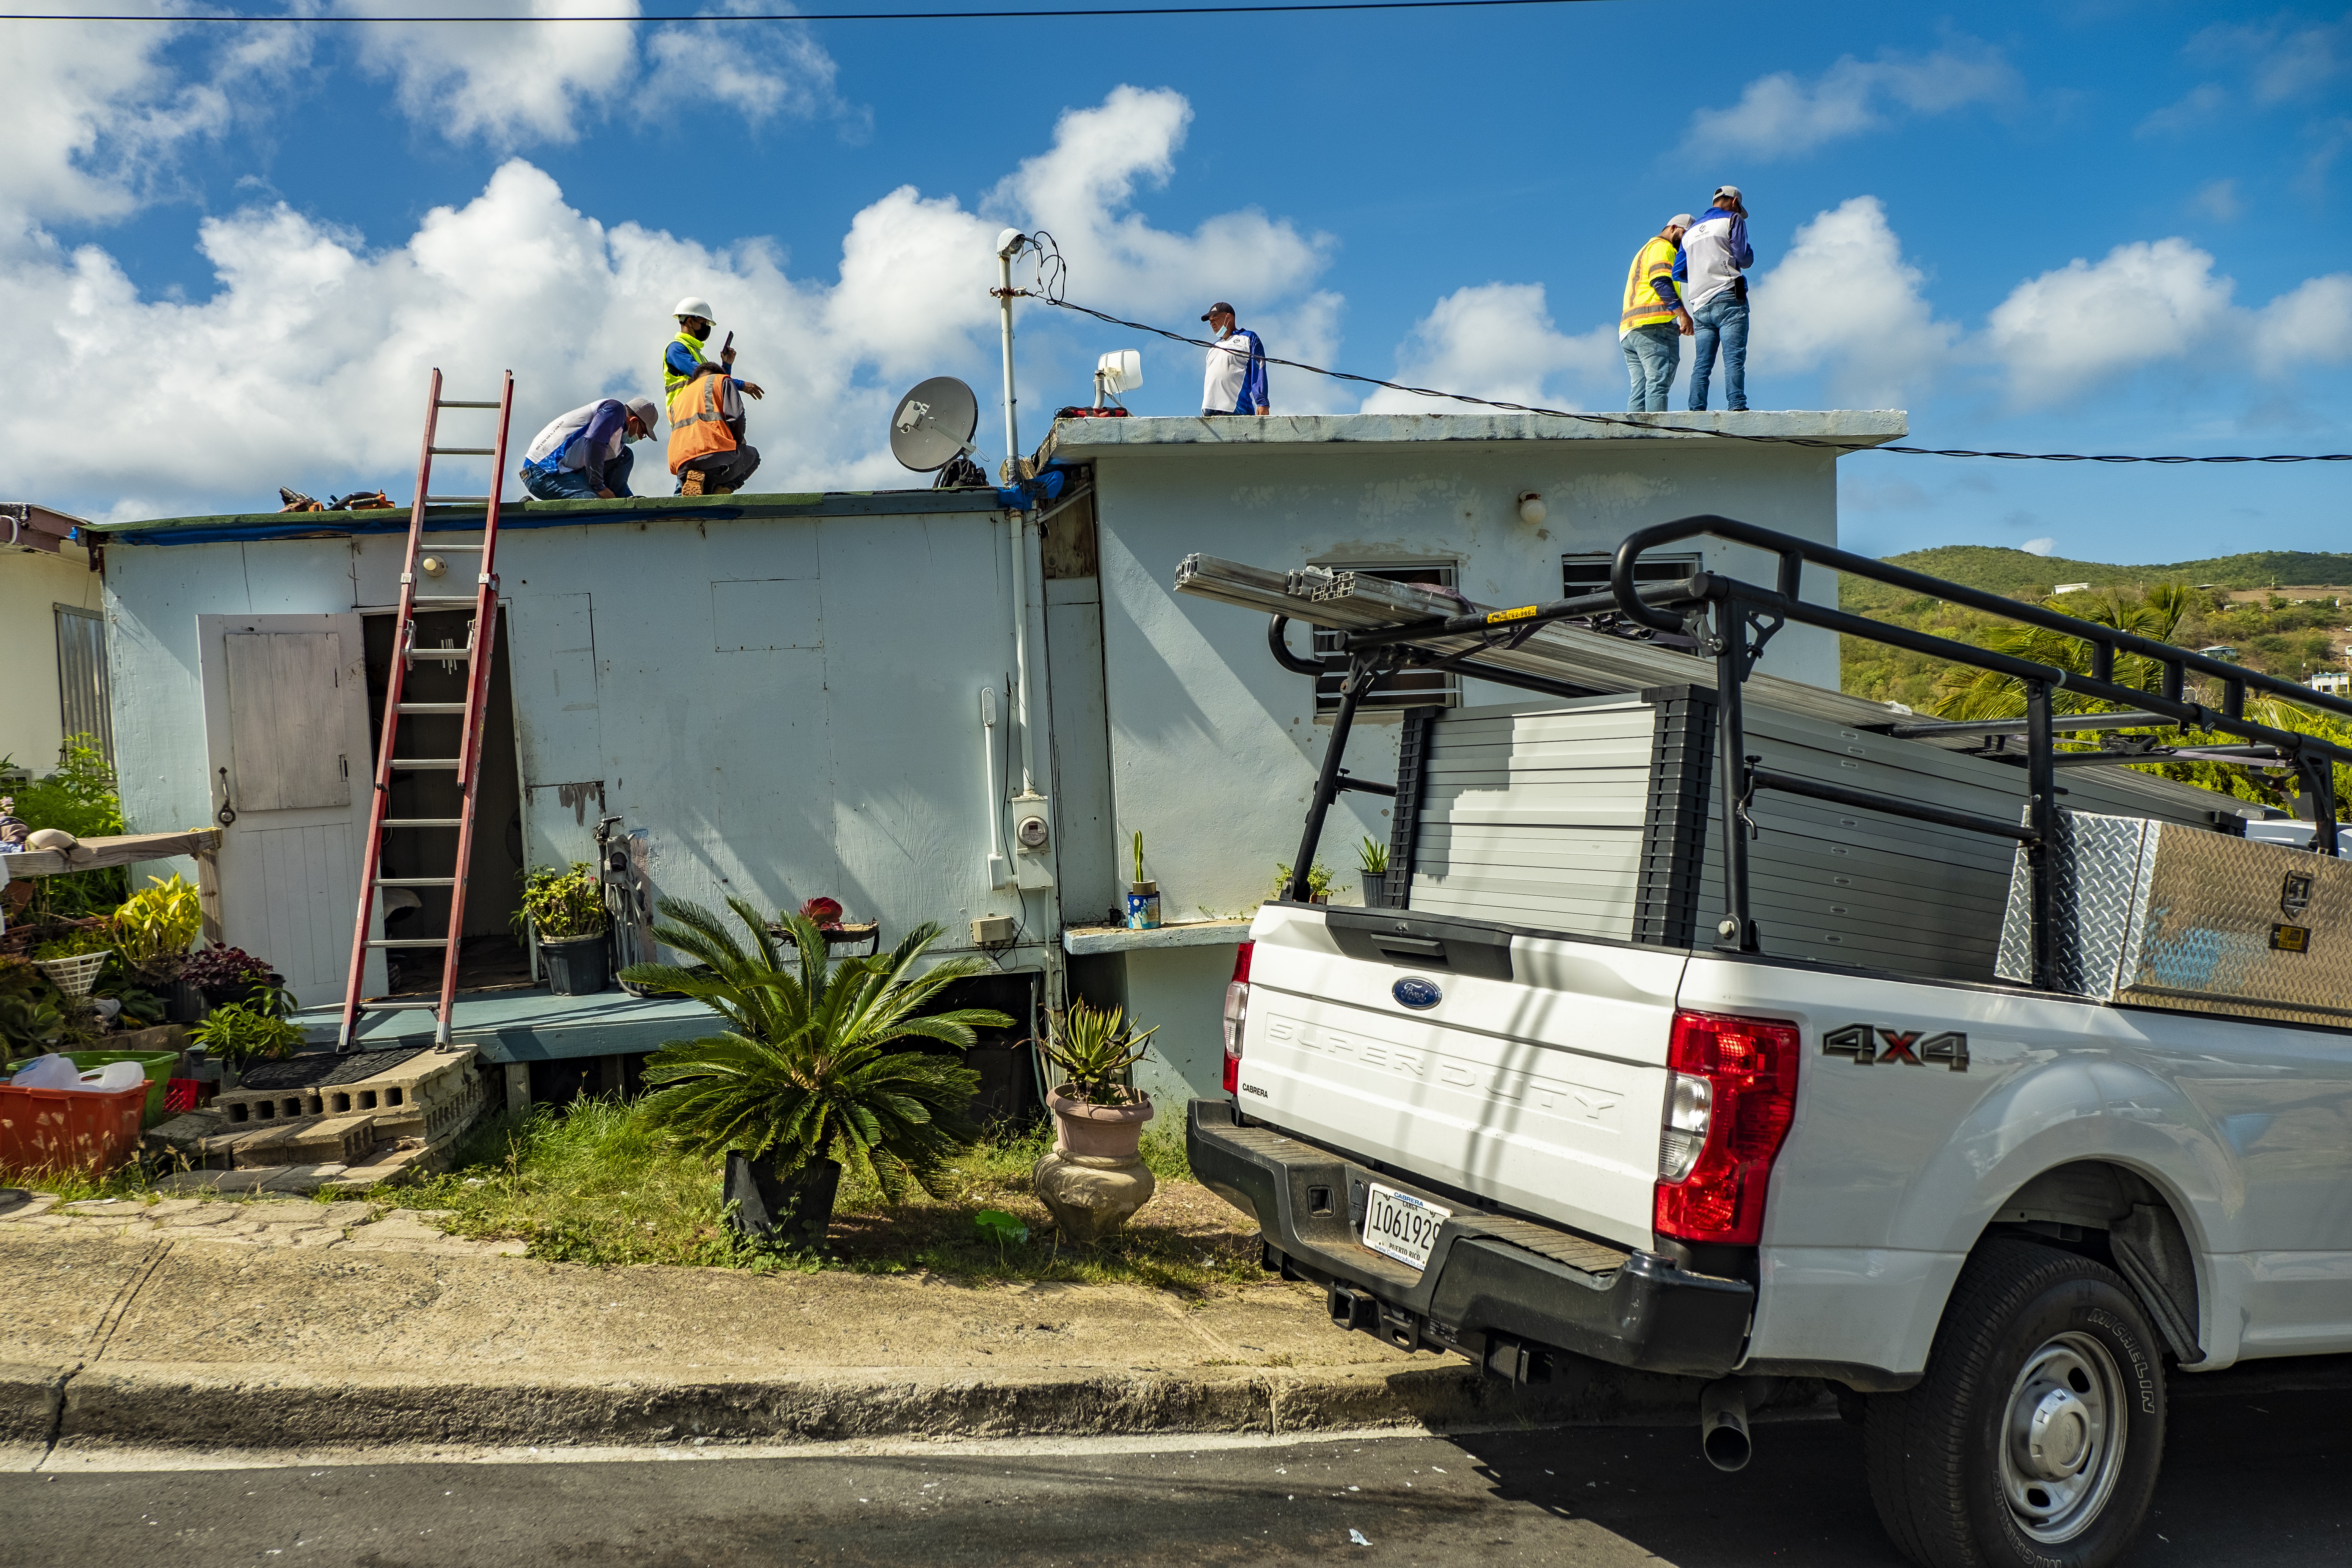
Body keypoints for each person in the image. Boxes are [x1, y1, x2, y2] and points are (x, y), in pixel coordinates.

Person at [1678, 186, 1754, 412]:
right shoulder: (1733, 220)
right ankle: (1737, 405)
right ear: (1734, 203)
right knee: (1733, 358)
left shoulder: (1690, 233)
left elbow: (1678, 271)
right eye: (1739, 208)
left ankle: (1696, 410)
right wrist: (1748, 253)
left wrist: (1701, 273)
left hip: (1700, 305)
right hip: (1729, 296)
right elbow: (1744, 258)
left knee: (1702, 363)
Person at [517, 397, 660, 501]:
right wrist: (599, 487)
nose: (641, 437)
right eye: (643, 433)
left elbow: (617, 478)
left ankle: (620, 501)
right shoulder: (615, 410)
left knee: (625, 456)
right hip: (543, 471)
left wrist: (629, 499)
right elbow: (594, 441)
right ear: (634, 421)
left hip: (568, 472)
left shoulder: (617, 440)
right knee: (592, 504)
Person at [1619, 214, 1693, 413]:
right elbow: (1660, 282)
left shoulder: (1646, 249)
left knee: (1640, 387)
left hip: (1630, 331)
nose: (1686, 241)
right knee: (1659, 382)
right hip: (1653, 329)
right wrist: (1683, 315)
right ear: (1673, 228)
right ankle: (1656, 434)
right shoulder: (1663, 248)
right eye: (1685, 234)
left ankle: (1635, 437)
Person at [667, 360, 760, 495]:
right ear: (718, 374)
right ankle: (725, 489)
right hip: (714, 455)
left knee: (706, 485)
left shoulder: (677, 400)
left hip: (682, 465)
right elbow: (737, 417)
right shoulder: (722, 380)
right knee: (753, 456)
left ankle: (696, 480)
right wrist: (739, 442)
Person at [664, 297, 765, 401]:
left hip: (697, 410)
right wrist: (742, 385)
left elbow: (717, 383)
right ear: (690, 321)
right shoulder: (676, 348)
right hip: (684, 410)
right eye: (704, 323)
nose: (707, 327)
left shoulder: (697, 354)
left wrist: (727, 365)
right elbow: (706, 377)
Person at [1200, 303, 1269, 416]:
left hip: (1237, 409)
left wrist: (1262, 403)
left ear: (1228, 317)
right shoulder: (1213, 348)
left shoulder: (1248, 338)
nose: (1212, 323)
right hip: (1209, 411)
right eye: (1210, 321)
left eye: (1215, 319)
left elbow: (1259, 370)